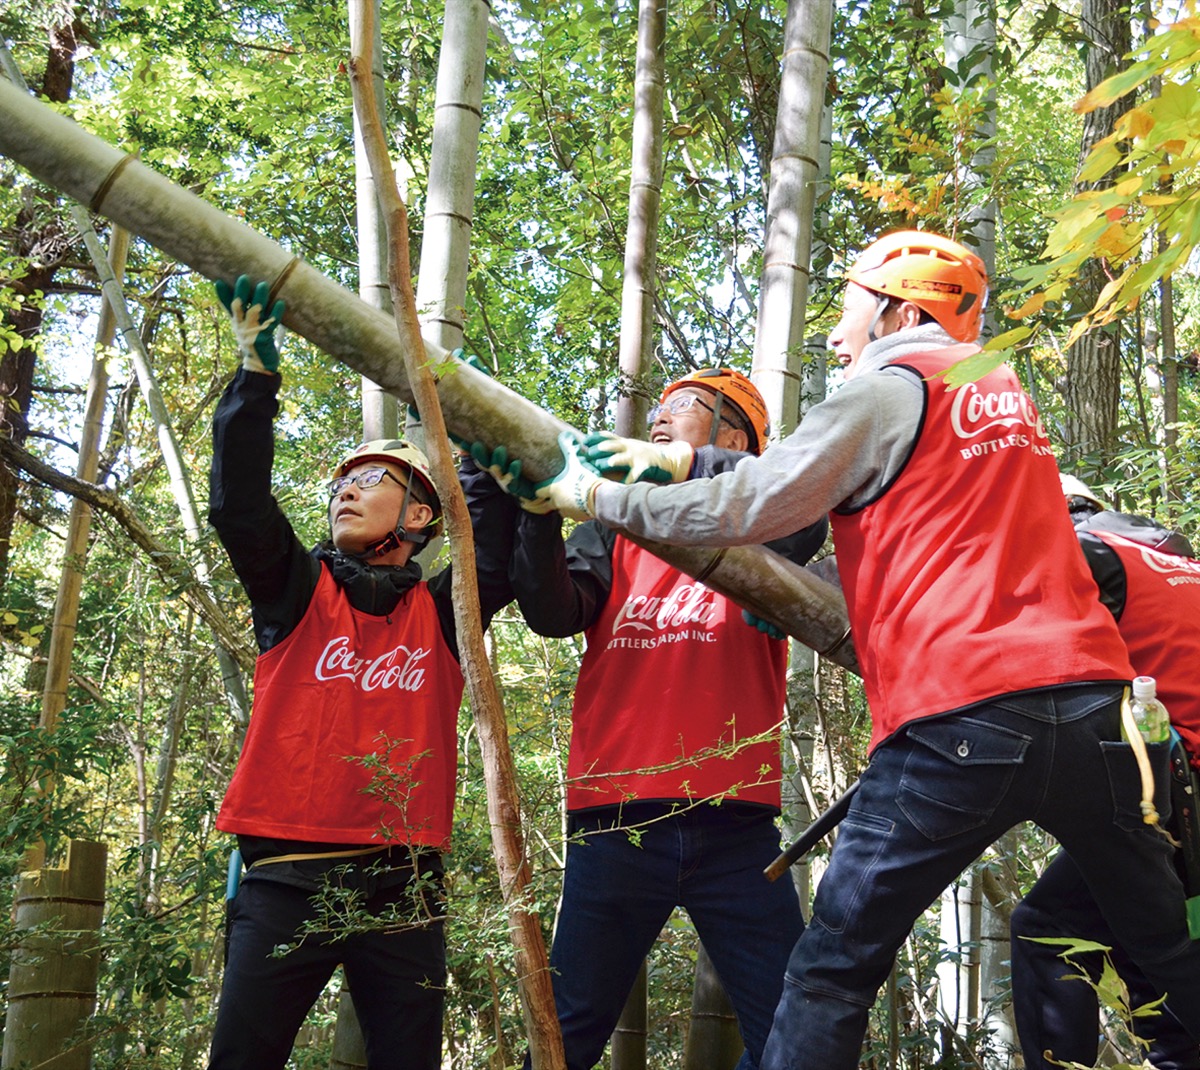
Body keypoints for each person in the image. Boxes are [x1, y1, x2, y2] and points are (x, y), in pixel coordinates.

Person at [505, 230, 1200, 1070]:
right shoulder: (999, 391)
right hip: (1099, 717)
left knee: (830, 974)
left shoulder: (888, 387)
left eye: (848, 310)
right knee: (1166, 957)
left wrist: (595, 495)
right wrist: (679, 457)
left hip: (961, 716)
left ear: (902, 312)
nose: (837, 335)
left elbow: (753, 504)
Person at [205, 276, 515, 1070]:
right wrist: (254, 379)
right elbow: (239, 507)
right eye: (341, 482)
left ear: (418, 515)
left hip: (403, 885)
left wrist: (474, 432)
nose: (346, 489)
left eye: (370, 480)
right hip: (285, 877)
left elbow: (496, 554)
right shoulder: (295, 589)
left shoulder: (444, 612)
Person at [493, 368, 826, 1070]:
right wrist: (536, 514)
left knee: (795, 1030)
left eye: (684, 407)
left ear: (735, 438)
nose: (660, 417)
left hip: (736, 826)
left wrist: (693, 471)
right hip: (617, 820)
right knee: (568, 1035)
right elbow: (554, 612)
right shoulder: (616, 529)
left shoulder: (763, 525)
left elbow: (805, 519)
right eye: (660, 409)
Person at [1010, 475, 1200, 1070]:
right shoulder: (1176, 565)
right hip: (1179, 781)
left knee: (1049, 929)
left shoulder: (1085, 554)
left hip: (1176, 787)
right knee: (1147, 947)